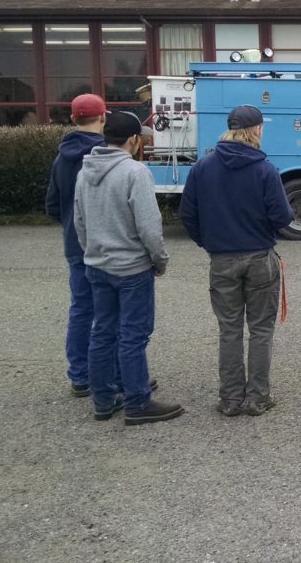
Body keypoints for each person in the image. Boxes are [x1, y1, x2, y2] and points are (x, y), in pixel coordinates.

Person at [180, 104, 294, 417]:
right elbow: (283, 216)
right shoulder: (265, 169)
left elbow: (188, 215)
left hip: (222, 258)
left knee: (229, 329)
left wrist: (209, 241)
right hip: (260, 258)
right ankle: (258, 398)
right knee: (260, 329)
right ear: (256, 129)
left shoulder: (203, 168)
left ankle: (230, 399)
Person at [74, 111, 182, 425]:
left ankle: (104, 400)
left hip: (96, 265)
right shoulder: (135, 172)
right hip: (132, 268)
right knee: (133, 335)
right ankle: (137, 401)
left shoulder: (85, 171)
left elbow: (80, 222)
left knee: (103, 333)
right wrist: (159, 261)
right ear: (133, 140)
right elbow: (149, 227)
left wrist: (91, 252)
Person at [45, 94, 108, 397]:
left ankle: (80, 375)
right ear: (103, 118)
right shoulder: (105, 155)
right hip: (106, 245)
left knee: (82, 309)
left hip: (74, 243)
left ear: (73, 119)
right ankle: (115, 374)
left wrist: (71, 225)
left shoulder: (61, 158)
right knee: (113, 311)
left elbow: (52, 205)